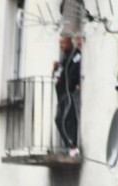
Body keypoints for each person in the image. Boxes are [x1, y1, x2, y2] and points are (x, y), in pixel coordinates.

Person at [53, 30, 82, 159]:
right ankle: (68, 145)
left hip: (70, 93)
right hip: (62, 94)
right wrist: (55, 69)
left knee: (69, 119)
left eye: (63, 43)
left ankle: (73, 145)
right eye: (60, 43)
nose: (61, 46)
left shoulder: (75, 55)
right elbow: (59, 75)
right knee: (59, 119)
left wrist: (74, 85)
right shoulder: (64, 58)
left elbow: (74, 73)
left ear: (70, 42)